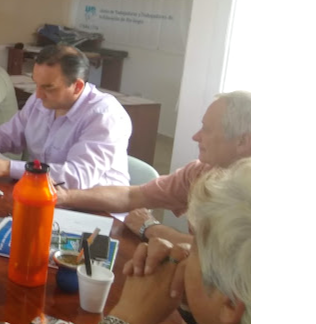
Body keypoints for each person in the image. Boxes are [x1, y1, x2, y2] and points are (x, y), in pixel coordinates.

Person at [38, 158, 251, 324]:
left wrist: (127, 321)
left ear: (232, 304)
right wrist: (191, 300)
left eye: (197, 246)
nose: (185, 251)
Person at [56, 91, 251, 247]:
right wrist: (64, 196)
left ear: (243, 141)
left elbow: (223, 258)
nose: (196, 137)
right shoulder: (201, 172)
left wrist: (151, 228)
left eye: (207, 129)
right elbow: (132, 196)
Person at [0, 45, 131, 188]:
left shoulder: (104, 116)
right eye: (36, 84)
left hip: (95, 212)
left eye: (48, 88)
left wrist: (8, 168)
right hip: (45, 194)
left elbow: (77, 177)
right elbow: (9, 134)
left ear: (77, 86)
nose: (38, 94)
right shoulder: (42, 99)